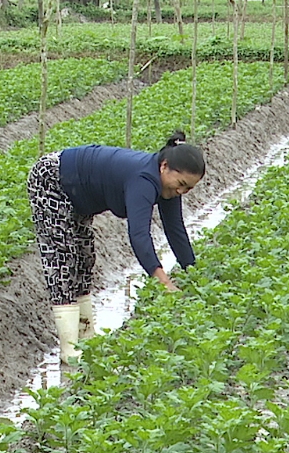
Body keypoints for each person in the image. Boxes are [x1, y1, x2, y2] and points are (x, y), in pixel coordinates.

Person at [26, 132, 206, 364]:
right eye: (181, 184)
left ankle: (86, 337)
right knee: (63, 260)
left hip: (78, 193)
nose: (181, 192)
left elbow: (175, 230)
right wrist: (164, 282)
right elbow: (139, 235)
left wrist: (194, 272)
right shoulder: (144, 180)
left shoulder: (167, 188)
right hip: (53, 179)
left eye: (188, 189)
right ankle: (69, 350)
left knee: (84, 258)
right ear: (164, 166)